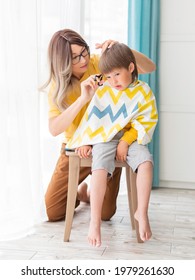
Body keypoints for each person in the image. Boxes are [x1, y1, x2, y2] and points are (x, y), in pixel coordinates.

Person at [41, 28, 156, 224]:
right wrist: (83, 99)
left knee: (105, 214)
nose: (83, 59)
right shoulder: (57, 86)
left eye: (83, 51)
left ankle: (90, 193)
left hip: (108, 142)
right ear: (63, 62)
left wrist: (122, 48)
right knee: (53, 212)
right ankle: (81, 192)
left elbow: (149, 67)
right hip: (77, 146)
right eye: (75, 57)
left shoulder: (98, 63)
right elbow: (54, 129)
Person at [66, 43, 158, 247]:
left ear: (131, 68)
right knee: (98, 166)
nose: (113, 81)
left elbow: (146, 120)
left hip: (131, 139)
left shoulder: (143, 91)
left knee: (146, 162)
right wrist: (87, 141)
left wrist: (125, 141)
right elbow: (93, 118)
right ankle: (94, 221)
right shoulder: (104, 90)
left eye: (117, 74)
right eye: (108, 76)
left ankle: (141, 212)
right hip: (104, 138)